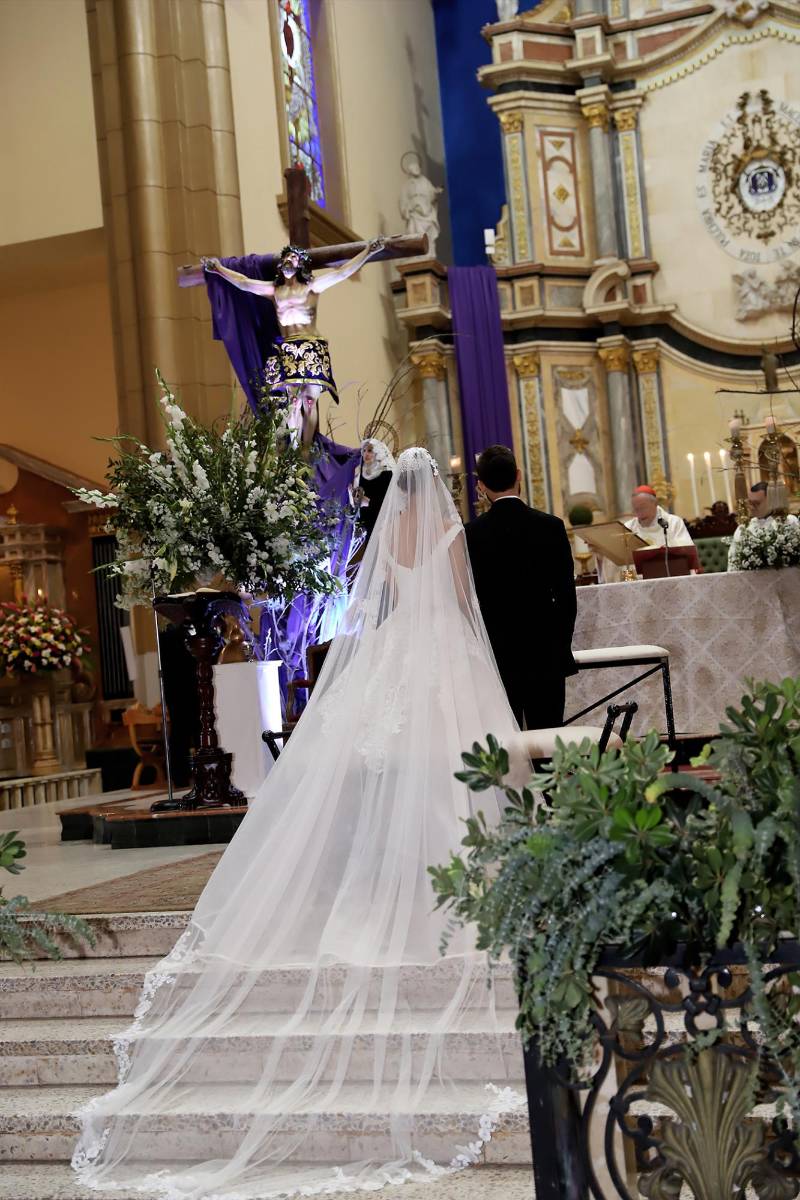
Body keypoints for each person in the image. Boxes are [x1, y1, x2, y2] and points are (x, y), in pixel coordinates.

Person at [73, 448, 526, 1200]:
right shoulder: (450, 538)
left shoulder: (388, 537)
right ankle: (457, 882)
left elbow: (371, 607)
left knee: (385, 777)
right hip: (445, 659)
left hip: (390, 660)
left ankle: (382, 882)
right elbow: (460, 608)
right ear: (440, 492)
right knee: (455, 772)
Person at [203, 240, 385, 446]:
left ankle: (306, 449)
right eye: (286, 257)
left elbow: (342, 272)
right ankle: (295, 451)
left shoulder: (312, 287)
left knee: (308, 402)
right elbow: (244, 282)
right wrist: (218, 269)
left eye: (294, 257)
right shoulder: (274, 290)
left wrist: (368, 251)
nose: (289, 260)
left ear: (300, 265)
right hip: (287, 348)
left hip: (310, 347)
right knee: (293, 402)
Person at [465, 444, 577, 730]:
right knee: (549, 737)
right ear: (519, 475)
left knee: (506, 743)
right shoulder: (550, 526)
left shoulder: (471, 534)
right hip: (546, 651)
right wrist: (560, 647)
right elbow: (566, 597)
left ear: (480, 486)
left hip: (497, 653)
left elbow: (471, 598)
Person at [728, 480, 799, 565]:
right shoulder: (743, 529)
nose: (751, 507)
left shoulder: (789, 522)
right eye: (750, 503)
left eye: (756, 503)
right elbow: (733, 560)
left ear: (771, 501)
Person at [349, 437, 395, 546]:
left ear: (377, 452)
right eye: (364, 451)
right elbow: (359, 499)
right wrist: (353, 496)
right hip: (366, 524)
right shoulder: (361, 474)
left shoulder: (386, 474)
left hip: (383, 523)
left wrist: (368, 502)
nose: (366, 454)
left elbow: (389, 501)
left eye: (370, 450)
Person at [624, 485, 694, 549]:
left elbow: (687, 549)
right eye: (636, 509)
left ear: (655, 503)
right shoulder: (628, 528)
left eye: (643, 508)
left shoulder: (674, 522)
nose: (639, 514)